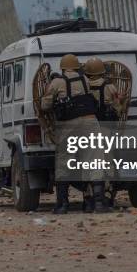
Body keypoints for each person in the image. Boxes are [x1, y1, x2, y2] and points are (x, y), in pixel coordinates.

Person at [41, 54, 99, 214]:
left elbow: (45, 105)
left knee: (63, 163)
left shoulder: (57, 82)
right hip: (90, 123)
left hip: (69, 125)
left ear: (63, 67)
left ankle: (63, 204)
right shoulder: (85, 80)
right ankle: (92, 203)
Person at [83, 57, 122, 213]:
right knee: (107, 163)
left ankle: (88, 199)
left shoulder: (83, 85)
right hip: (106, 129)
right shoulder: (110, 87)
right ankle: (106, 198)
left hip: (87, 130)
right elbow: (118, 108)